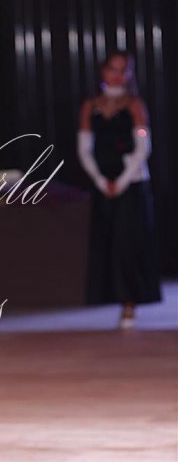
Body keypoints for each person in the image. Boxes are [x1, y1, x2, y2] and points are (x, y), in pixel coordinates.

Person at [77, 50, 162, 327]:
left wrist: (122, 181)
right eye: (113, 69)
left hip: (132, 181)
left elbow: (143, 147)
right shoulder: (91, 106)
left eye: (123, 70)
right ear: (103, 71)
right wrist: (101, 180)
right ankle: (111, 297)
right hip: (103, 181)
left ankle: (130, 304)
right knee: (108, 242)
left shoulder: (134, 105)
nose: (117, 75)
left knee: (129, 243)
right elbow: (84, 148)